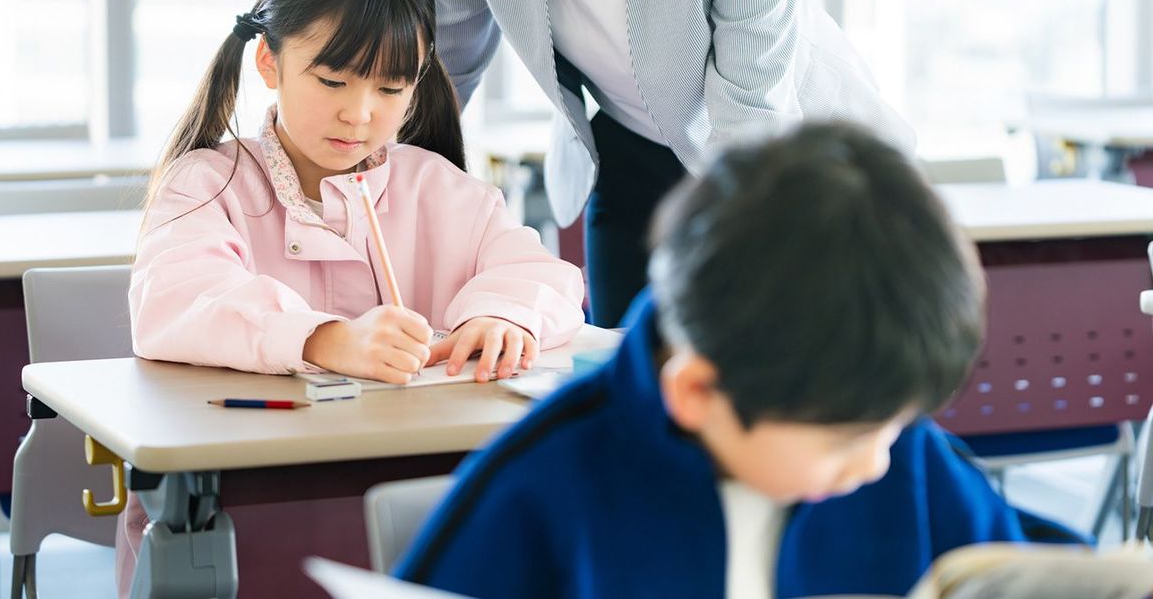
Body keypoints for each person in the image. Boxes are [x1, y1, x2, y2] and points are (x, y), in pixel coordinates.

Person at [395, 123, 1082, 599]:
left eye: (894, 426)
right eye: (848, 437)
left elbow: (1036, 567)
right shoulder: (538, 493)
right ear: (697, 391)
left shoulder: (902, 456)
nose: (877, 461)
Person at [117, 0, 585, 596]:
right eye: (332, 79)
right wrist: (330, 338)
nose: (359, 113)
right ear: (271, 64)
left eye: (391, 89)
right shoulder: (208, 183)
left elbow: (541, 275)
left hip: (418, 504)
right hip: (245, 512)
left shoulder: (441, 187)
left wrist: (504, 317)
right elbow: (180, 299)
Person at [422, 0, 915, 326]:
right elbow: (444, 64)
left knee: (765, 368)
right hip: (632, 140)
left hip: (793, 161)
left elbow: (752, 112)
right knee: (628, 362)